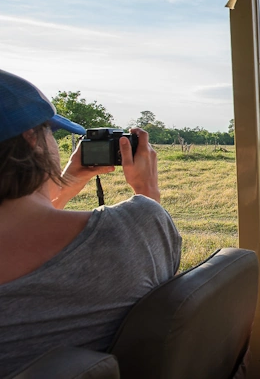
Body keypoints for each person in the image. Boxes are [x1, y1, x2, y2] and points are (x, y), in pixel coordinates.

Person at [0, 69, 182, 377]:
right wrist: (147, 191)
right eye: (52, 134)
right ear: (32, 140)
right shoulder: (135, 224)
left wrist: (68, 179)